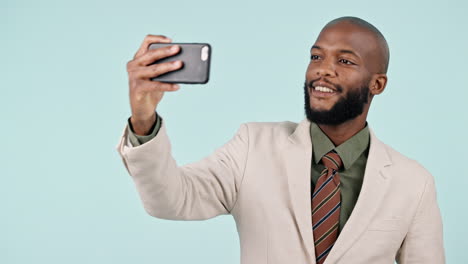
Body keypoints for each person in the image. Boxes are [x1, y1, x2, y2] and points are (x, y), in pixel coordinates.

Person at [116, 16, 445, 264]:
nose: (323, 70)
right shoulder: (252, 146)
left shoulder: (413, 183)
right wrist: (143, 119)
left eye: (344, 61)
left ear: (377, 84)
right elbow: (170, 200)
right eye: (316, 56)